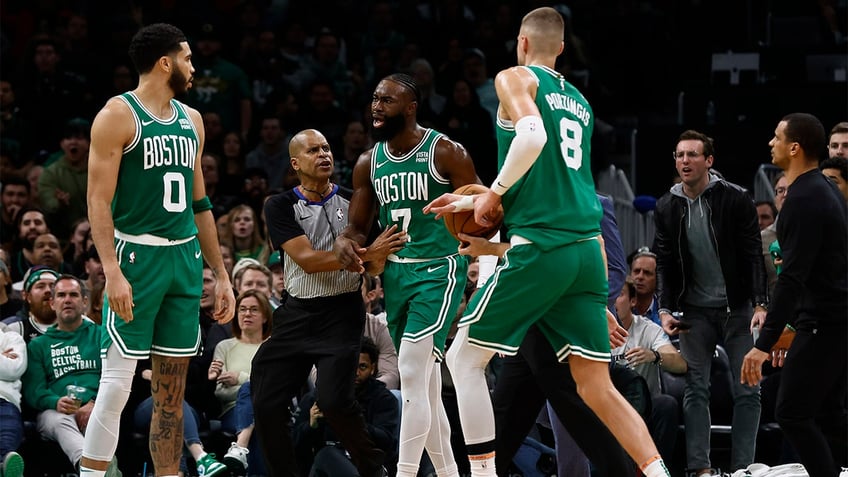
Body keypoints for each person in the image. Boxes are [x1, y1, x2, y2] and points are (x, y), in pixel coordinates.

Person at [422, 8, 669, 477]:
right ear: (560, 48)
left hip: (542, 246)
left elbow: (531, 136)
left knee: (463, 357)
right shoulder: (580, 100)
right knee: (597, 387)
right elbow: (552, 182)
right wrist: (478, 196)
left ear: (521, 43)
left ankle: (481, 473)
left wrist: (488, 195)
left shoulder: (516, 77)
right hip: (584, 251)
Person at [80, 23, 235, 477]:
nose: (193, 66)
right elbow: (97, 200)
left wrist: (221, 273)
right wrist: (111, 270)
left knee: (171, 395)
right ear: (165, 63)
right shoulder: (117, 114)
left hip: (183, 259)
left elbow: (201, 203)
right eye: (187, 58)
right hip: (136, 258)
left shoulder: (193, 120)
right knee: (117, 383)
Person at [333, 73, 481, 477]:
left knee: (413, 370)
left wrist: (483, 257)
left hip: (441, 269)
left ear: (411, 107)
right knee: (425, 390)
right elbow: (357, 227)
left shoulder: (446, 152)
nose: (377, 106)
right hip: (396, 277)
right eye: (375, 99)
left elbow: (483, 209)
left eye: (388, 100)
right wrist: (348, 242)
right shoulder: (369, 162)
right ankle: (449, 473)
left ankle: (404, 473)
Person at [252, 128, 405, 477]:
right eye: (313, 150)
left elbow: (379, 261)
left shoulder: (358, 201)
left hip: (341, 312)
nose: (324, 155)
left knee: (335, 402)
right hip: (297, 313)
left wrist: (371, 258)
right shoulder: (279, 205)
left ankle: (374, 468)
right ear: (295, 163)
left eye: (326, 148)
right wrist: (364, 255)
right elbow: (307, 259)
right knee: (266, 401)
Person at [653, 129, 766, 477]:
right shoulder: (667, 205)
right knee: (695, 388)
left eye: (692, 155)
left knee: (748, 388)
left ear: (709, 161)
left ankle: (743, 467)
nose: (684, 161)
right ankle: (700, 468)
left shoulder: (735, 198)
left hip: (737, 309)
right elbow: (666, 261)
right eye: (679, 155)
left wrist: (761, 303)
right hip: (694, 311)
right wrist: (665, 308)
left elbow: (752, 255)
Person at [742, 113, 848, 477]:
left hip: (823, 323)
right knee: (829, 415)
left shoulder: (805, 198)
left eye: (776, 137)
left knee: (792, 411)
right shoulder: (822, 189)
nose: (771, 143)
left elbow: (792, 279)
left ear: (795, 147)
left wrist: (764, 342)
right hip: (833, 320)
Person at [21, 275, 110, 472]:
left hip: (96, 408)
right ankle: (89, 467)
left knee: (101, 418)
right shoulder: (38, 345)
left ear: (84, 302)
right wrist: (55, 402)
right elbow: (34, 391)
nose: (67, 300)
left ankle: (92, 471)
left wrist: (94, 403)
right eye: (61, 295)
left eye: (73, 295)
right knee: (59, 420)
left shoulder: (102, 335)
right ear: (52, 303)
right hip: (55, 412)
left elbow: (113, 378)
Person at [293, 336, 400, 477]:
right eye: (351, 366)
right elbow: (295, 445)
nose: (356, 373)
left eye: (362, 367)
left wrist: (353, 420)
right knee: (326, 455)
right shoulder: (318, 398)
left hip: (368, 465)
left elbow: (387, 442)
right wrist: (312, 425)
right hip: (325, 465)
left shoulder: (383, 399)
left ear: (373, 368)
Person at [611, 277, 688, 462]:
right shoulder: (594, 331)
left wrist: (655, 355)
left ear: (633, 301)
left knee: (666, 405)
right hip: (610, 407)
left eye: (619, 295)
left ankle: (656, 470)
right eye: (608, 295)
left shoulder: (648, 329)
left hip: (645, 408)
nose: (612, 301)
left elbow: (680, 363)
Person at [209, 289, 272, 475]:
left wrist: (241, 378)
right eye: (242, 309)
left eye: (254, 309)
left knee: (250, 389)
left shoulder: (273, 348)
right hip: (232, 411)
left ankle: (240, 446)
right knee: (260, 423)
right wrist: (251, 386)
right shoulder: (224, 347)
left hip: (270, 410)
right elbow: (220, 393)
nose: (247, 314)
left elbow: (274, 388)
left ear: (266, 317)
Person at [2, 266, 59, 342]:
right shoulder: (10, 329)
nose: (48, 290)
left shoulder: (77, 325)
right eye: (40, 286)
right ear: (26, 296)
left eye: (53, 286)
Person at [0, 322, 26, 477]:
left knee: (8, 427)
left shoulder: (12, 338)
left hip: (5, 401)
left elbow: (14, 369)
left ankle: (4, 463)